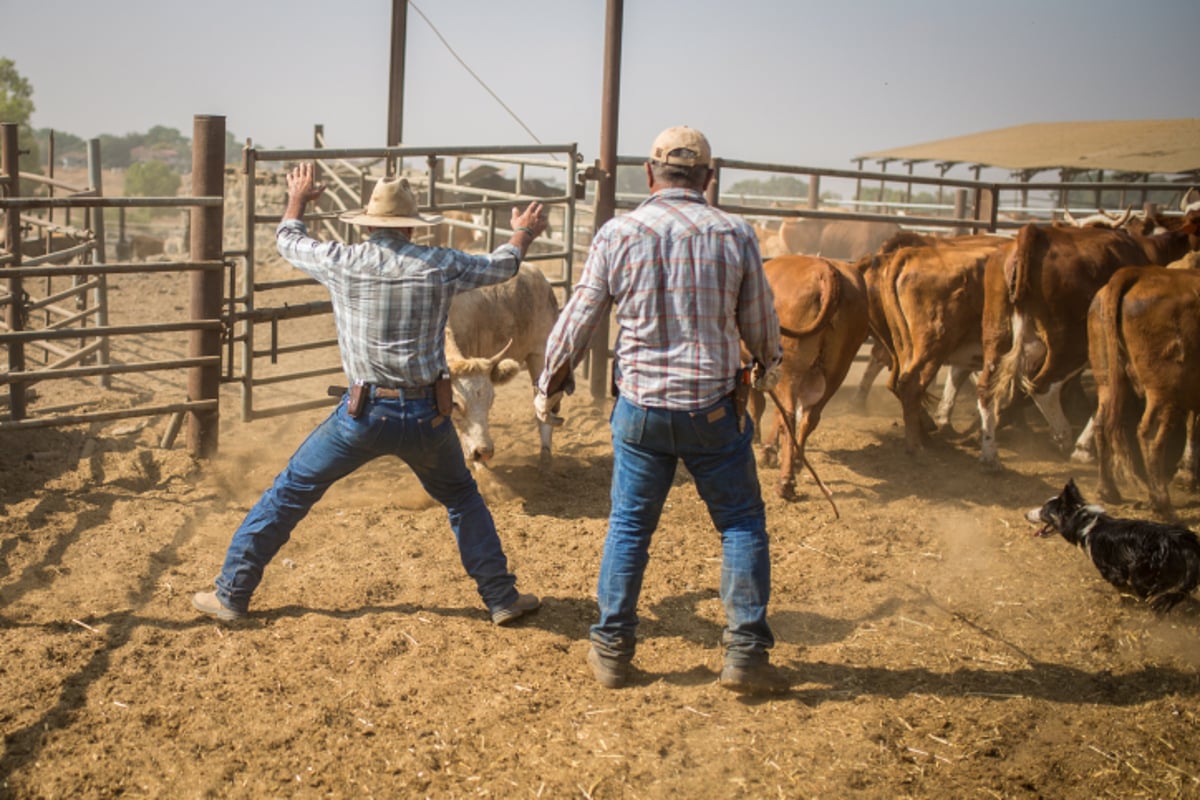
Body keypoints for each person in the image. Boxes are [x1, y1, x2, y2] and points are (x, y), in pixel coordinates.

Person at [194, 162, 548, 626]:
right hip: (429, 414)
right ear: (408, 225)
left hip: (363, 414)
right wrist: (523, 231)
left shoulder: (344, 261)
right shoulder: (439, 265)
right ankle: (500, 597)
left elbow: (287, 240)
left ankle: (233, 594)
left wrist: (299, 198)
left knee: (292, 491)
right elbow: (503, 264)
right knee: (462, 498)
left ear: (369, 224)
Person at [534, 126, 786, 694]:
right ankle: (745, 655)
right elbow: (760, 324)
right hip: (713, 411)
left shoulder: (618, 234)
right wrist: (770, 367)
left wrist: (548, 386)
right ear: (709, 177)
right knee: (741, 524)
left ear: (650, 175)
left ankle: (613, 650)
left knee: (628, 526)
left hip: (642, 410)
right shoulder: (736, 234)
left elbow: (578, 319)